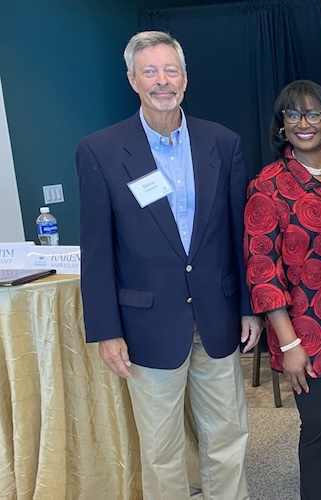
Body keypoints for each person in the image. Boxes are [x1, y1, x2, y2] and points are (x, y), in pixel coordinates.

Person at [75, 31, 261, 500]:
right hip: (146, 323)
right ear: (133, 80)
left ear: (185, 78)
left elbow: (238, 237)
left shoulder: (223, 143)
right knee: (161, 448)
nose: (162, 81)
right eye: (150, 72)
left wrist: (247, 307)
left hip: (217, 317)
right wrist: (105, 330)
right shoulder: (100, 151)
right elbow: (95, 249)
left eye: (170, 70)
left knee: (227, 435)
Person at [244, 80, 321, 500]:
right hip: (306, 334)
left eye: (314, 114)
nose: (304, 123)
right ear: (282, 125)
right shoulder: (268, 185)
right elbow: (263, 272)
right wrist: (289, 342)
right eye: (293, 115)